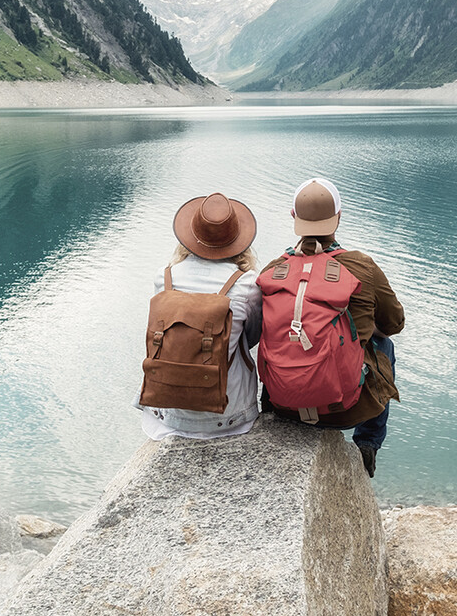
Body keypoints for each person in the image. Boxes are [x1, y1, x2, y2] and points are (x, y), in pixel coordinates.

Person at [261, 178, 404, 477]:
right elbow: (394, 324)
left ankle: (272, 415)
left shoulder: (272, 271)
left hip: (284, 406)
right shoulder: (362, 266)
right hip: (346, 409)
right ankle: (367, 444)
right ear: (339, 217)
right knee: (384, 345)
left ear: (293, 217)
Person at [136, 192, 263, 440]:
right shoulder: (247, 283)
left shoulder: (165, 278)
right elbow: (252, 336)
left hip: (167, 414)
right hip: (228, 416)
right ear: (238, 241)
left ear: (190, 238)